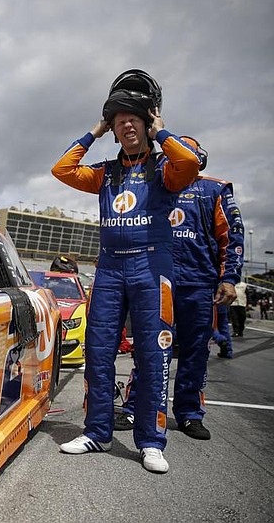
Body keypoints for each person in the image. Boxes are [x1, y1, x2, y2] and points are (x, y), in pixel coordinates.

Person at [52, 69, 201, 474]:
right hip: (110, 269)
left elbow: (188, 162)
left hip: (152, 267)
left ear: (148, 122)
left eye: (134, 118)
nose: (127, 124)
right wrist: (95, 130)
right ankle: (98, 432)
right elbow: (62, 170)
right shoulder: (105, 173)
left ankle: (151, 442)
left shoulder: (165, 166)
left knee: (153, 355)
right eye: (120, 121)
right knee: (98, 353)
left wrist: (161, 130)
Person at [114, 136, 245, 440]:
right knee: (148, 348)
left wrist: (229, 278)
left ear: (198, 160)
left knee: (195, 351)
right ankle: (135, 407)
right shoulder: (151, 185)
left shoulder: (215, 188)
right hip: (154, 281)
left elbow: (232, 237)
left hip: (198, 284)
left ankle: (189, 413)